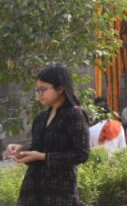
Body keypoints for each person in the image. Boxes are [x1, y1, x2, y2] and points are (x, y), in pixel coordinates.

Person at [4, 65, 90, 205]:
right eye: (37, 90)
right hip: (33, 190)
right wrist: (20, 151)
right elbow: (37, 150)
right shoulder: (40, 118)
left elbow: (81, 154)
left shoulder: (74, 114)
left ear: (60, 88)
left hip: (59, 192)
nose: (39, 94)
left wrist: (44, 157)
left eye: (43, 89)